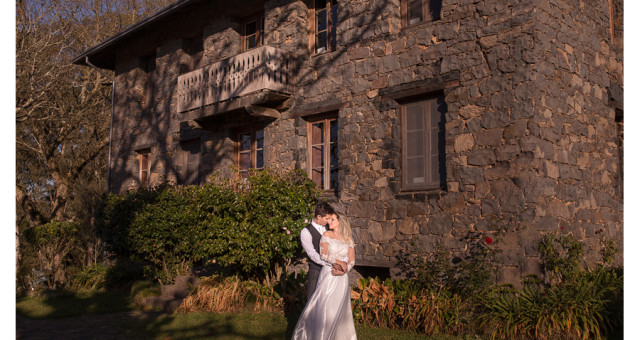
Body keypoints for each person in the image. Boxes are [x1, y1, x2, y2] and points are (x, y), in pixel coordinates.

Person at [292, 212, 357, 340]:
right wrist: (339, 263)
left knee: (339, 309)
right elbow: (324, 255)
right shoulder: (326, 235)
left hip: (342, 278)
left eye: (332, 219)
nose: (329, 222)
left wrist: (344, 270)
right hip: (329, 273)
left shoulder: (349, 239)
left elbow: (352, 260)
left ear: (340, 221)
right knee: (325, 307)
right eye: (329, 219)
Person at [301, 202, 336, 300]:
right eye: (326, 218)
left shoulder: (330, 228)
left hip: (332, 271)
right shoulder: (305, 232)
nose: (329, 221)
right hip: (316, 270)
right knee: (311, 300)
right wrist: (327, 263)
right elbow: (312, 253)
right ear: (318, 216)